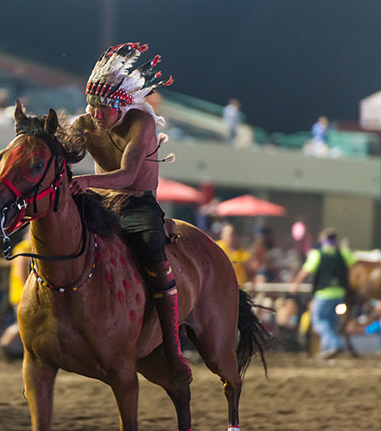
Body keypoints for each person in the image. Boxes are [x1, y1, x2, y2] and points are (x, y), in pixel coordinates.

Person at [69, 42, 191, 389]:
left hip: (137, 204)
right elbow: (64, 150)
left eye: (104, 107)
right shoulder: (84, 122)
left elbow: (126, 176)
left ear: (122, 105)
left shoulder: (142, 122)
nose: (95, 112)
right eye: (92, 104)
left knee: (153, 255)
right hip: (97, 199)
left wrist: (86, 180)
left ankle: (173, 346)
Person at [291, 227, 356, 359]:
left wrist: (295, 284)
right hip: (339, 293)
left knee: (318, 320)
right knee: (332, 323)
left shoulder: (317, 254)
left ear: (322, 240)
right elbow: (355, 265)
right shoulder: (343, 253)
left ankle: (334, 344)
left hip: (323, 293)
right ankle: (327, 349)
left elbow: (306, 271)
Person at [0, 226, 31, 360]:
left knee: (21, 324)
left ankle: (3, 344)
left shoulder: (25, 249)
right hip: (21, 294)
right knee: (22, 324)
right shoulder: (23, 249)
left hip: (20, 293)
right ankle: (3, 344)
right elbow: (21, 274)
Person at [215, 223, 251, 287]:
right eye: (229, 234)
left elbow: (250, 269)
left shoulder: (242, 252)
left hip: (238, 288)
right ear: (222, 235)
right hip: (220, 287)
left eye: (232, 235)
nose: (231, 237)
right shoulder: (216, 248)